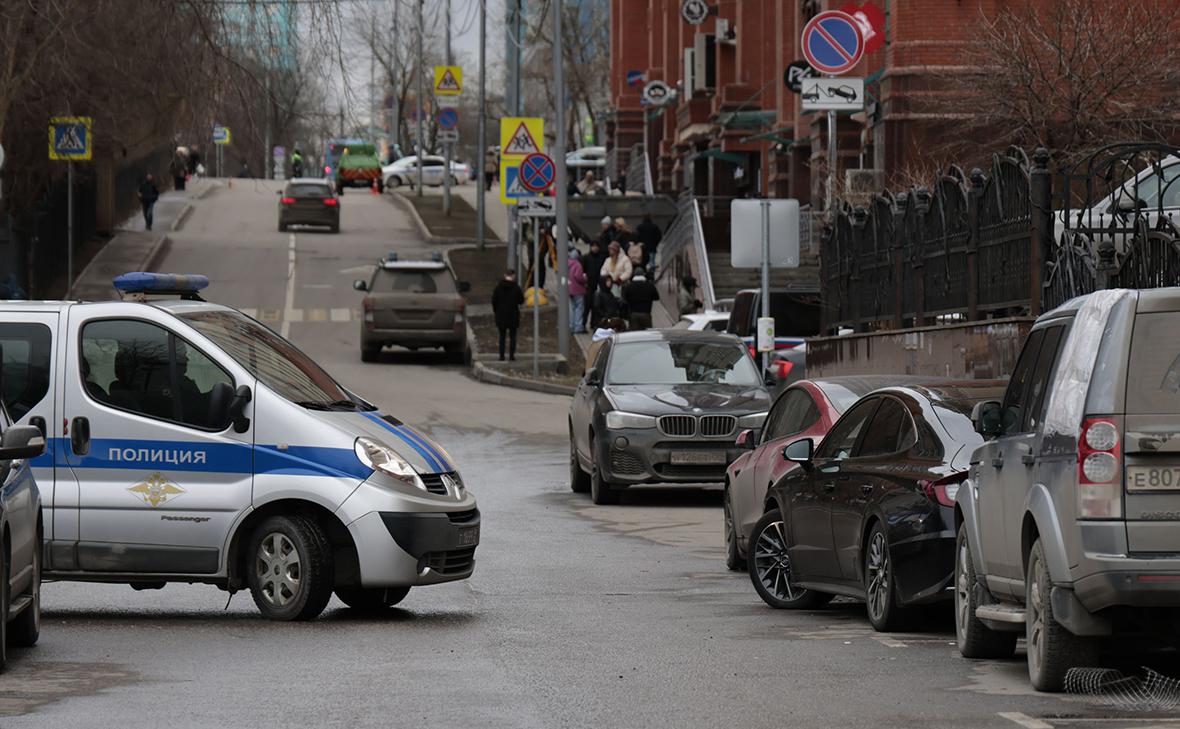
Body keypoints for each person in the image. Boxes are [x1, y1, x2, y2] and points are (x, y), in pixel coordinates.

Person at [491, 270, 525, 361]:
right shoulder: (516, 288)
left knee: (502, 337)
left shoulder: (498, 287)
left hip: (501, 315)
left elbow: (494, 301)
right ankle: (511, 356)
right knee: (512, 337)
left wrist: (496, 311)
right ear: (513, 276)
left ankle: (501, 356)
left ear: (505, 275)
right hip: (513, 315)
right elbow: (521, 300)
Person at [582, 239, 607, 331]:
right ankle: (583, 324)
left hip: (598, 285)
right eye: (593, 246)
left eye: (597, 246)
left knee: (596, 306)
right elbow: (583, 271)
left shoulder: (602, 257)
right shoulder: (586, 258)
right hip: (588, 286)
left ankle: (593, 323)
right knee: (586, 306)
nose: (595, 248)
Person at [568, 248, 588, 334]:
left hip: (569, 289)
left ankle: (571, 325)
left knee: (572, 308)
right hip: (578, 289)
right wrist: (585, 279)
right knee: (579, 308)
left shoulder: (567, 264)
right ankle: (578, 326)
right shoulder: (577, 265)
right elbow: (578, 277)